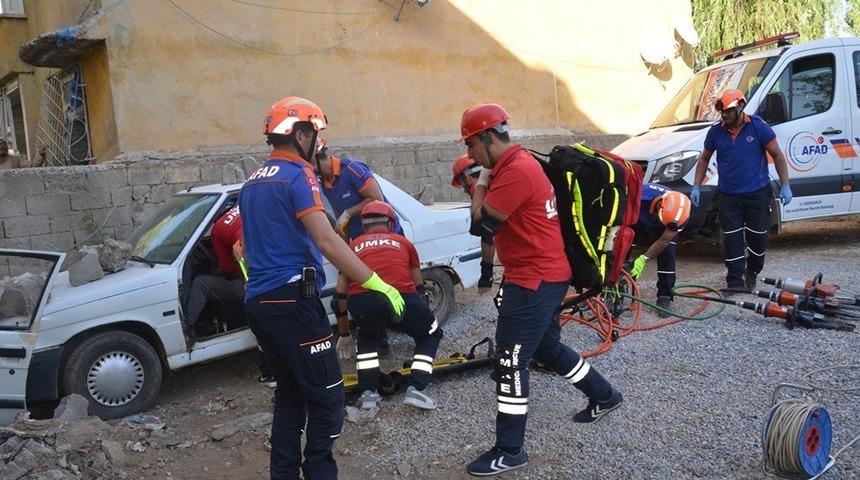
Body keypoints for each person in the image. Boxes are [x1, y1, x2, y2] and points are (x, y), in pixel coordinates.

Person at [239, 96, 405, 480]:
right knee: (328, 397)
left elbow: (244, 249)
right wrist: (376, 282)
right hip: (292, 299)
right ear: (299, 135)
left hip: (260, 301)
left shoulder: (251, 182)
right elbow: (329, 241)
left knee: (290, 396)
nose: (320, 143)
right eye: (316, 133)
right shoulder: (298, 176)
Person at [459, 102, 622, 476]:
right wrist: (485, 176)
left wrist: (480, 182)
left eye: (470, 146)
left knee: (511, 360)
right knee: (547, 349)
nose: (468, 155)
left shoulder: (514, 171)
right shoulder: (516, 166)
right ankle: (605, 395)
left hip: (533, 280)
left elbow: (480, 226)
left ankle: (510, 450)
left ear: (487, 138)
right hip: (543, 275)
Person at [334, 200, 443, 411]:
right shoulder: (403, 243)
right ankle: (417, 388)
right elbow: (418, 286)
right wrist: (419, 314)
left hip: (362, 300)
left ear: (364, 225)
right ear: (390, 223)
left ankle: (368, 394)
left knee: (366, 338)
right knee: (431, 334)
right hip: (401, 296)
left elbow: (339, 294)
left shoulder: (352, 246)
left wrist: (344, 333)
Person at [691, 89, 792, 293]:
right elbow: (704, 159)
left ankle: (753, 271)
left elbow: (778, 156)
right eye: (722, 112)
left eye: (728, 111)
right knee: (732, 238)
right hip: (729, 196)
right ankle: (735, 281)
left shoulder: (758, 127)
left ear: (739, 106)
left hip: (757, 193)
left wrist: (786, 184)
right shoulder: (715, 132)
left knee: (758, 237)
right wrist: (696, 185)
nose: (724, 115)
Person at [314, 138, 401, 241]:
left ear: (316, 161)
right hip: (360, 239)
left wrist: (348, 213)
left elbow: (377, 198)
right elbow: (341, 220)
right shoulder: (325, 185)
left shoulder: (351, 169)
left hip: (386, 236)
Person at [628, 184, 691, 317]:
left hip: (659, 223)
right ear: (658, 206)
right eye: (664, 222)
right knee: (623, 246)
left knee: (667, 254)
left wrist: (643, 258)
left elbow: (664, 240)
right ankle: (612, 290)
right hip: (636, 216)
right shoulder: (639, 196)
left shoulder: (681, 216)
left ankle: (665, 296)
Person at [451, 154, 496, 292]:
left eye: (462, 184)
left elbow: (488, 237)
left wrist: (486, 274)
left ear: (466, 178)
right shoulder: (493, 184)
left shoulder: (479, 192)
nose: (464, 190)